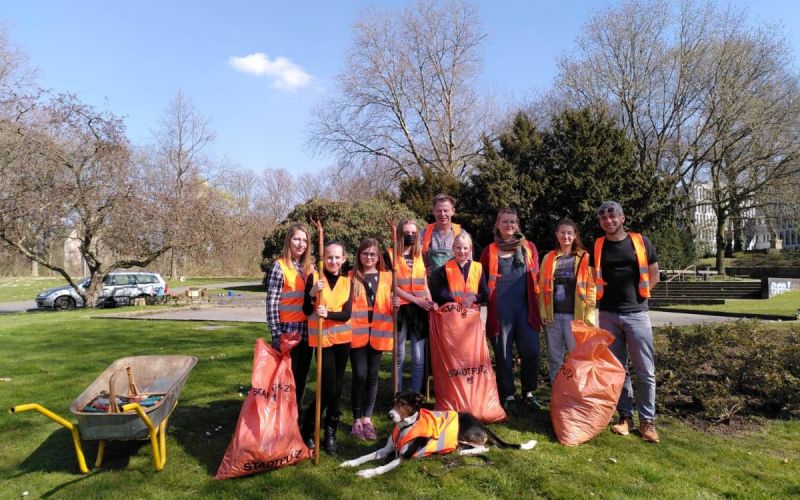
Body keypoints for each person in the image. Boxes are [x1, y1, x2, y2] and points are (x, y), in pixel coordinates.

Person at [591, 200, 660, 443]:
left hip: (637, 313)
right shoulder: (598, 245)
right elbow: (593, 275)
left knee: (645, 371)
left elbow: (654, 272)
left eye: (613, 216)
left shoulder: (640, 241)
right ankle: (624, 417)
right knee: (617, 370)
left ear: (622, 218)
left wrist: (644, 293)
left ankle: (648, 422)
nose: (608, 221)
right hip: (608, 314)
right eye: (603, 218)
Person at [480, 208, 542, 414]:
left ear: (518, 224)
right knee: (503, 355)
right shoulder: (489, 251)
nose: (509, 225)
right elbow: (480, 281)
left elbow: (536, 276)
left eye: (513, 222)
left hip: (525, 309)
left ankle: (528, 392)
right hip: (501, 311)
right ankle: (507, 395)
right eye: (505, 222)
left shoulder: (529, 247)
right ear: (497, 224)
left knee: (532, 351)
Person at [301, 241, 353, 454]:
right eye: (329, 257)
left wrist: (328, 314)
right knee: (327, 387)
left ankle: (330, 431)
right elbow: (305, 310)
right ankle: (309, 427)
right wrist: (312, 293)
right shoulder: (314, 278)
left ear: (343, 259)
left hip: (342, 341)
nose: (333, 261)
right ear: (324, 258)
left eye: (337, 258)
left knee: (338, 388)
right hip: (322, 341)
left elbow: (346, 314)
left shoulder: (348, 282)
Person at [538, 218, 596, 384]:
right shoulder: (548, 258)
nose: (566, 236)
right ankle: (558, 394)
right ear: (557, 235)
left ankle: (577, 395)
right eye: (562, 232)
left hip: (575, 318)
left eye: (569, 233)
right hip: (553, 317)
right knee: (555, 358)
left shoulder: (584, 257)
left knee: (577, 358)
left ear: (575, 235)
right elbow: (542, 289)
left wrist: (588, 318)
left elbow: (591, 289)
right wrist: (543, 312)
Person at [348, 238, 393, 441]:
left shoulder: (387, 277)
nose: (368, 257)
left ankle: (367, 418)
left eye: (372, 254)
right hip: (356, 334)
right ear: (359, 255)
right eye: (365, 253)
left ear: (378, 257)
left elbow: (390, 302)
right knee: (360, 376)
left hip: (378, 333)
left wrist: (397, 303)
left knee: (373, 376)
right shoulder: (350, 277)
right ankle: (356, 419)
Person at [265, 223, 314, 406]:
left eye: (304, 240)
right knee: (285, 380)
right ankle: (281, 419)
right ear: (289, 241)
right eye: (297, 239)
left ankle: (295, 417)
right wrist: (276, 333)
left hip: (307, 334)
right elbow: (272, 303)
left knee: (300, 379)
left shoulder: (308, 268)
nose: (301, 244)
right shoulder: (280, 267)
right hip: (287, 333)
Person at [385, 218, 436, 394]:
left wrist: (429, 300)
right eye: (406, 233)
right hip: (402, 308)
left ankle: (416, 395)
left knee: (419, 358)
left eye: (414, 233)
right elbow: (392, 285)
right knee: (398, 356)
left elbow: (424, 282)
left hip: (420, 309)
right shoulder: (390, 255)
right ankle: (397, 394)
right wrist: (416, 300)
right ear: (399, 234)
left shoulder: (421, 254)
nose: (410, 236)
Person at [421, 194, 468, 288]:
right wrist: (423, 269)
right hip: (431, 288)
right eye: (439, 210)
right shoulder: (423, 234)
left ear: (452, 211)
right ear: (433, 211)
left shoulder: (462, 234)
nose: (442, 214)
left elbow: (468, 262)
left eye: (445, 210)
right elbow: (415, 259)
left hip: (455, 287)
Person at [431, 232, 489, 308]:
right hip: (452, 313)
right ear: (453, 248)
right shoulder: (445, 269)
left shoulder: (478, 268)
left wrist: (473, 298)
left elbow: (485, 294)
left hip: (472, 314)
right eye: (458, 248)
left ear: (470, 249)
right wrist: (456, 305)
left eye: (465, 248)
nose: (462, 251)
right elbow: (441, 294)